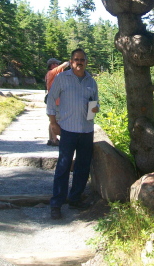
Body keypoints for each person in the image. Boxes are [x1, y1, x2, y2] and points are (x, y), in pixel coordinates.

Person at [46, 48, 99, 220]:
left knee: (82, 168)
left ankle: (75, 198)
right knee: (63, 166)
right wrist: (53, 123)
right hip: (67, 129)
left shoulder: (91, 81)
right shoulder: (62, 78)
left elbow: (95, 104)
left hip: (86, 130)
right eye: (76, 59)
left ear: (86, 61)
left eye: (82, 59)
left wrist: (95, 109)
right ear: (71, 61)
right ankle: (56, 204)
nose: (79, 62)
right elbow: (51, 100)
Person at [45, 58, 70, 146]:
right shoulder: (52, 72)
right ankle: (55, 140)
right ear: (52, 65)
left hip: (53, 101)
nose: (58, 65)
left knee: (52, 121)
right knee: (56, 121)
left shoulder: (50, 74)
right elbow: (64, 65)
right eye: (56, 64)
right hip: (56, 102)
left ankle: (51, 139)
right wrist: (71, 61)